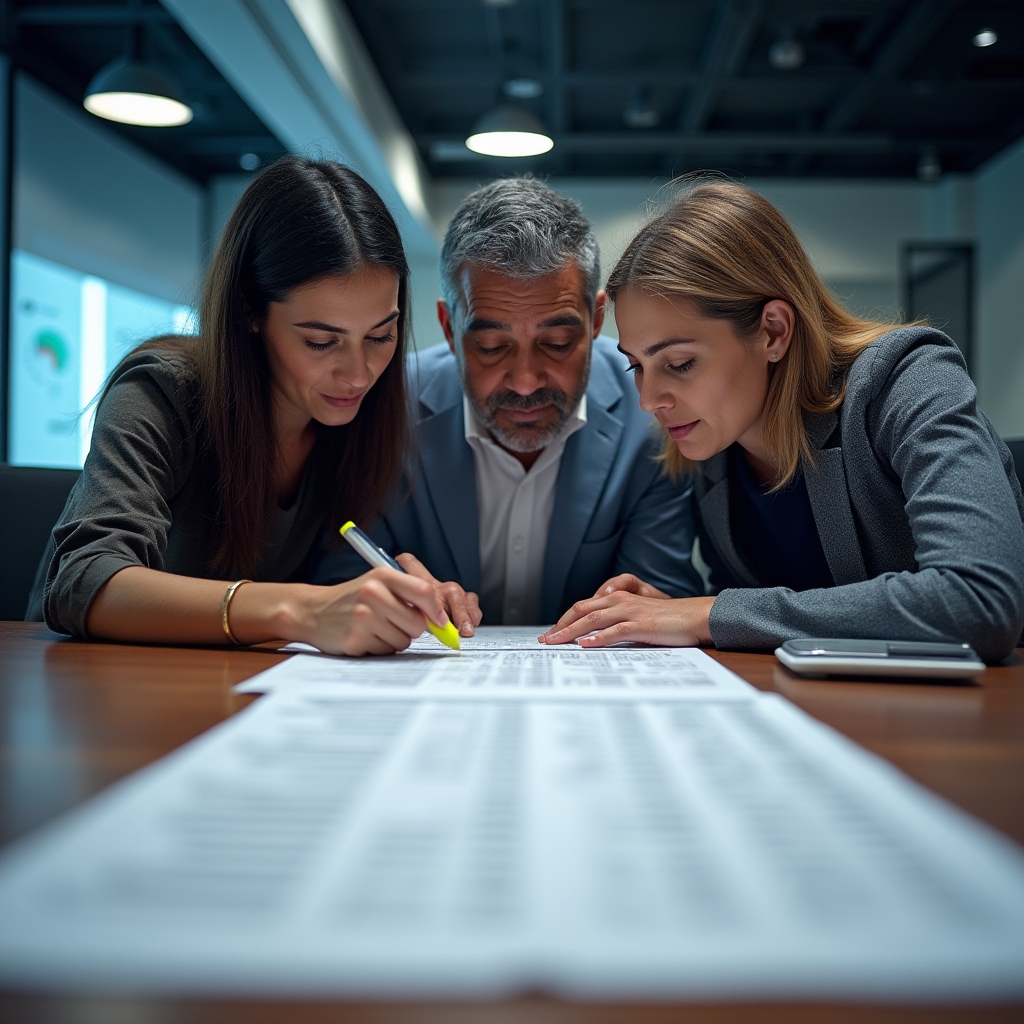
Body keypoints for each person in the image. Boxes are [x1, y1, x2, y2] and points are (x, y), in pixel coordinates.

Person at [541, 180, 1024, 662]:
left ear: (773, 331)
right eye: (636, 366)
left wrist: (710, 614)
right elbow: (761, 617)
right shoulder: (713, 451)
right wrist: (677, 613)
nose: (648, 401)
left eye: (680, 363)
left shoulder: (908, 381)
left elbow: (977, 600)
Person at [28, 157, 454, 656]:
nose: (359, 374)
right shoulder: (160, 394)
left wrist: (388, 594)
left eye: (380, 336)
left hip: (231, 685)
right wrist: (298, 609)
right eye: (321, 342)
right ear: (249, 311)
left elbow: (326, 581)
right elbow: (82, 579)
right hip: (82, 678)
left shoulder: (355, 423)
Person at [311, 177, 703, 630]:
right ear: (449, 327)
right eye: (492, 347)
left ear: (596, 320)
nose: (525, 382)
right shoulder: (384, 407)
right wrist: (382, 601)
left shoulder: (651, 415)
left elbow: (664, 601)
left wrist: (652, 606)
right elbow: (340, 586)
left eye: (557, 343)